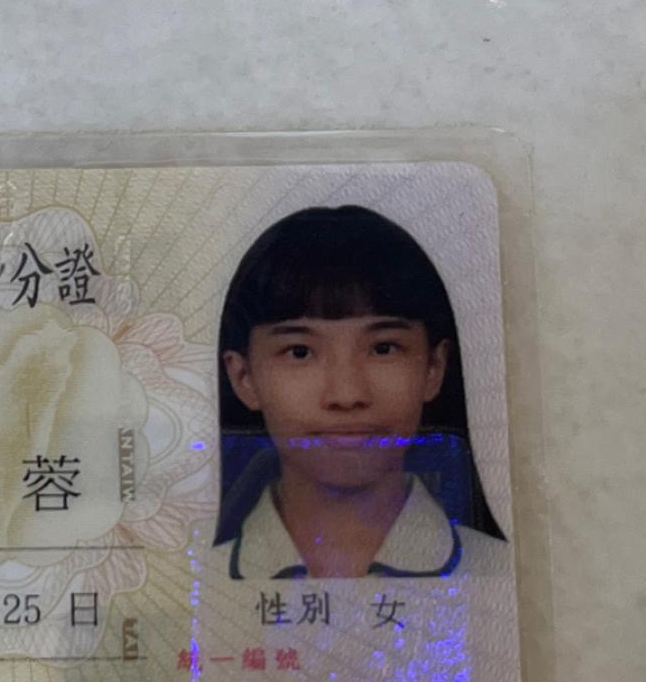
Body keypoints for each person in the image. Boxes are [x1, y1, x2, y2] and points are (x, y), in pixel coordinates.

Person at [212, 205, 508, 579]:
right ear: (243, 378)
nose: (347, 395)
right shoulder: (194, 582)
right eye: (300, 352)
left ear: (434, 368)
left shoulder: (506, 574)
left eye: (383, 348)